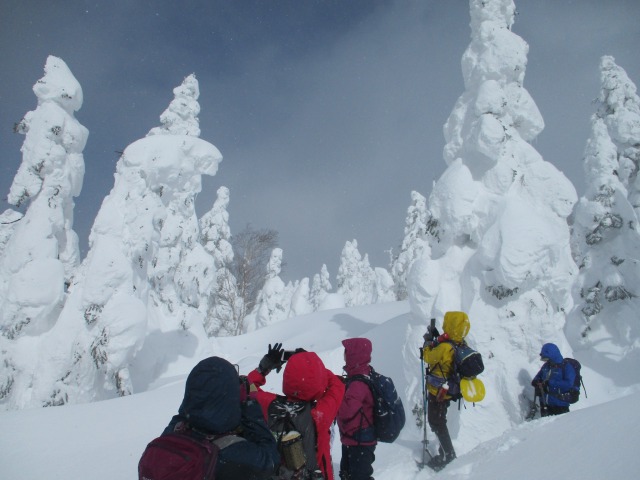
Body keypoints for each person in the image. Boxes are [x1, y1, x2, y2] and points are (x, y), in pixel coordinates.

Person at [160, 356, 280, 480]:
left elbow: (187, 410)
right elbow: (271, 459)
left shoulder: (173, 430)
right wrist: (250, 408)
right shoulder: (231, 452)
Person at [247, 344, 345, 480]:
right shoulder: (320, 414)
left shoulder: (268, 405)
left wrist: (263, 368)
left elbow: (248, 388)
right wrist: (311, 365)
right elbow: (337, 385)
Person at [421, 311, 470, 471]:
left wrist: (428, 343)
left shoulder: (445, 347)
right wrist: (436, 338)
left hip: (438, 391)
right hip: (449, 389)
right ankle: (444, 453)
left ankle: (448, 455)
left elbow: (428, 357)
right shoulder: (459, 343)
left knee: (436, 421)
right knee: (440, 419)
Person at [337, 338, 376, 480]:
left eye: (346, 352)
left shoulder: (357, 383)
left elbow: (346, 412)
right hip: (355, 439)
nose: (344, 355)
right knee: (349, 474)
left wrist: (333, 397)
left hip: (359, 442)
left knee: (359, 477)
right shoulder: (363, 374)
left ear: (354, 355)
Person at [531, 342, 576, 417]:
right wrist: (536, 381)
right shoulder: (546, 366)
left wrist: (550, 383)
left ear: (552, 355)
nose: (545, 361)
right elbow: (539, 376)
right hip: (545, 403)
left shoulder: (566, 367)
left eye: (547, 358)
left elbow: (569, 384)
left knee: (561, 426)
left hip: (560, 404)